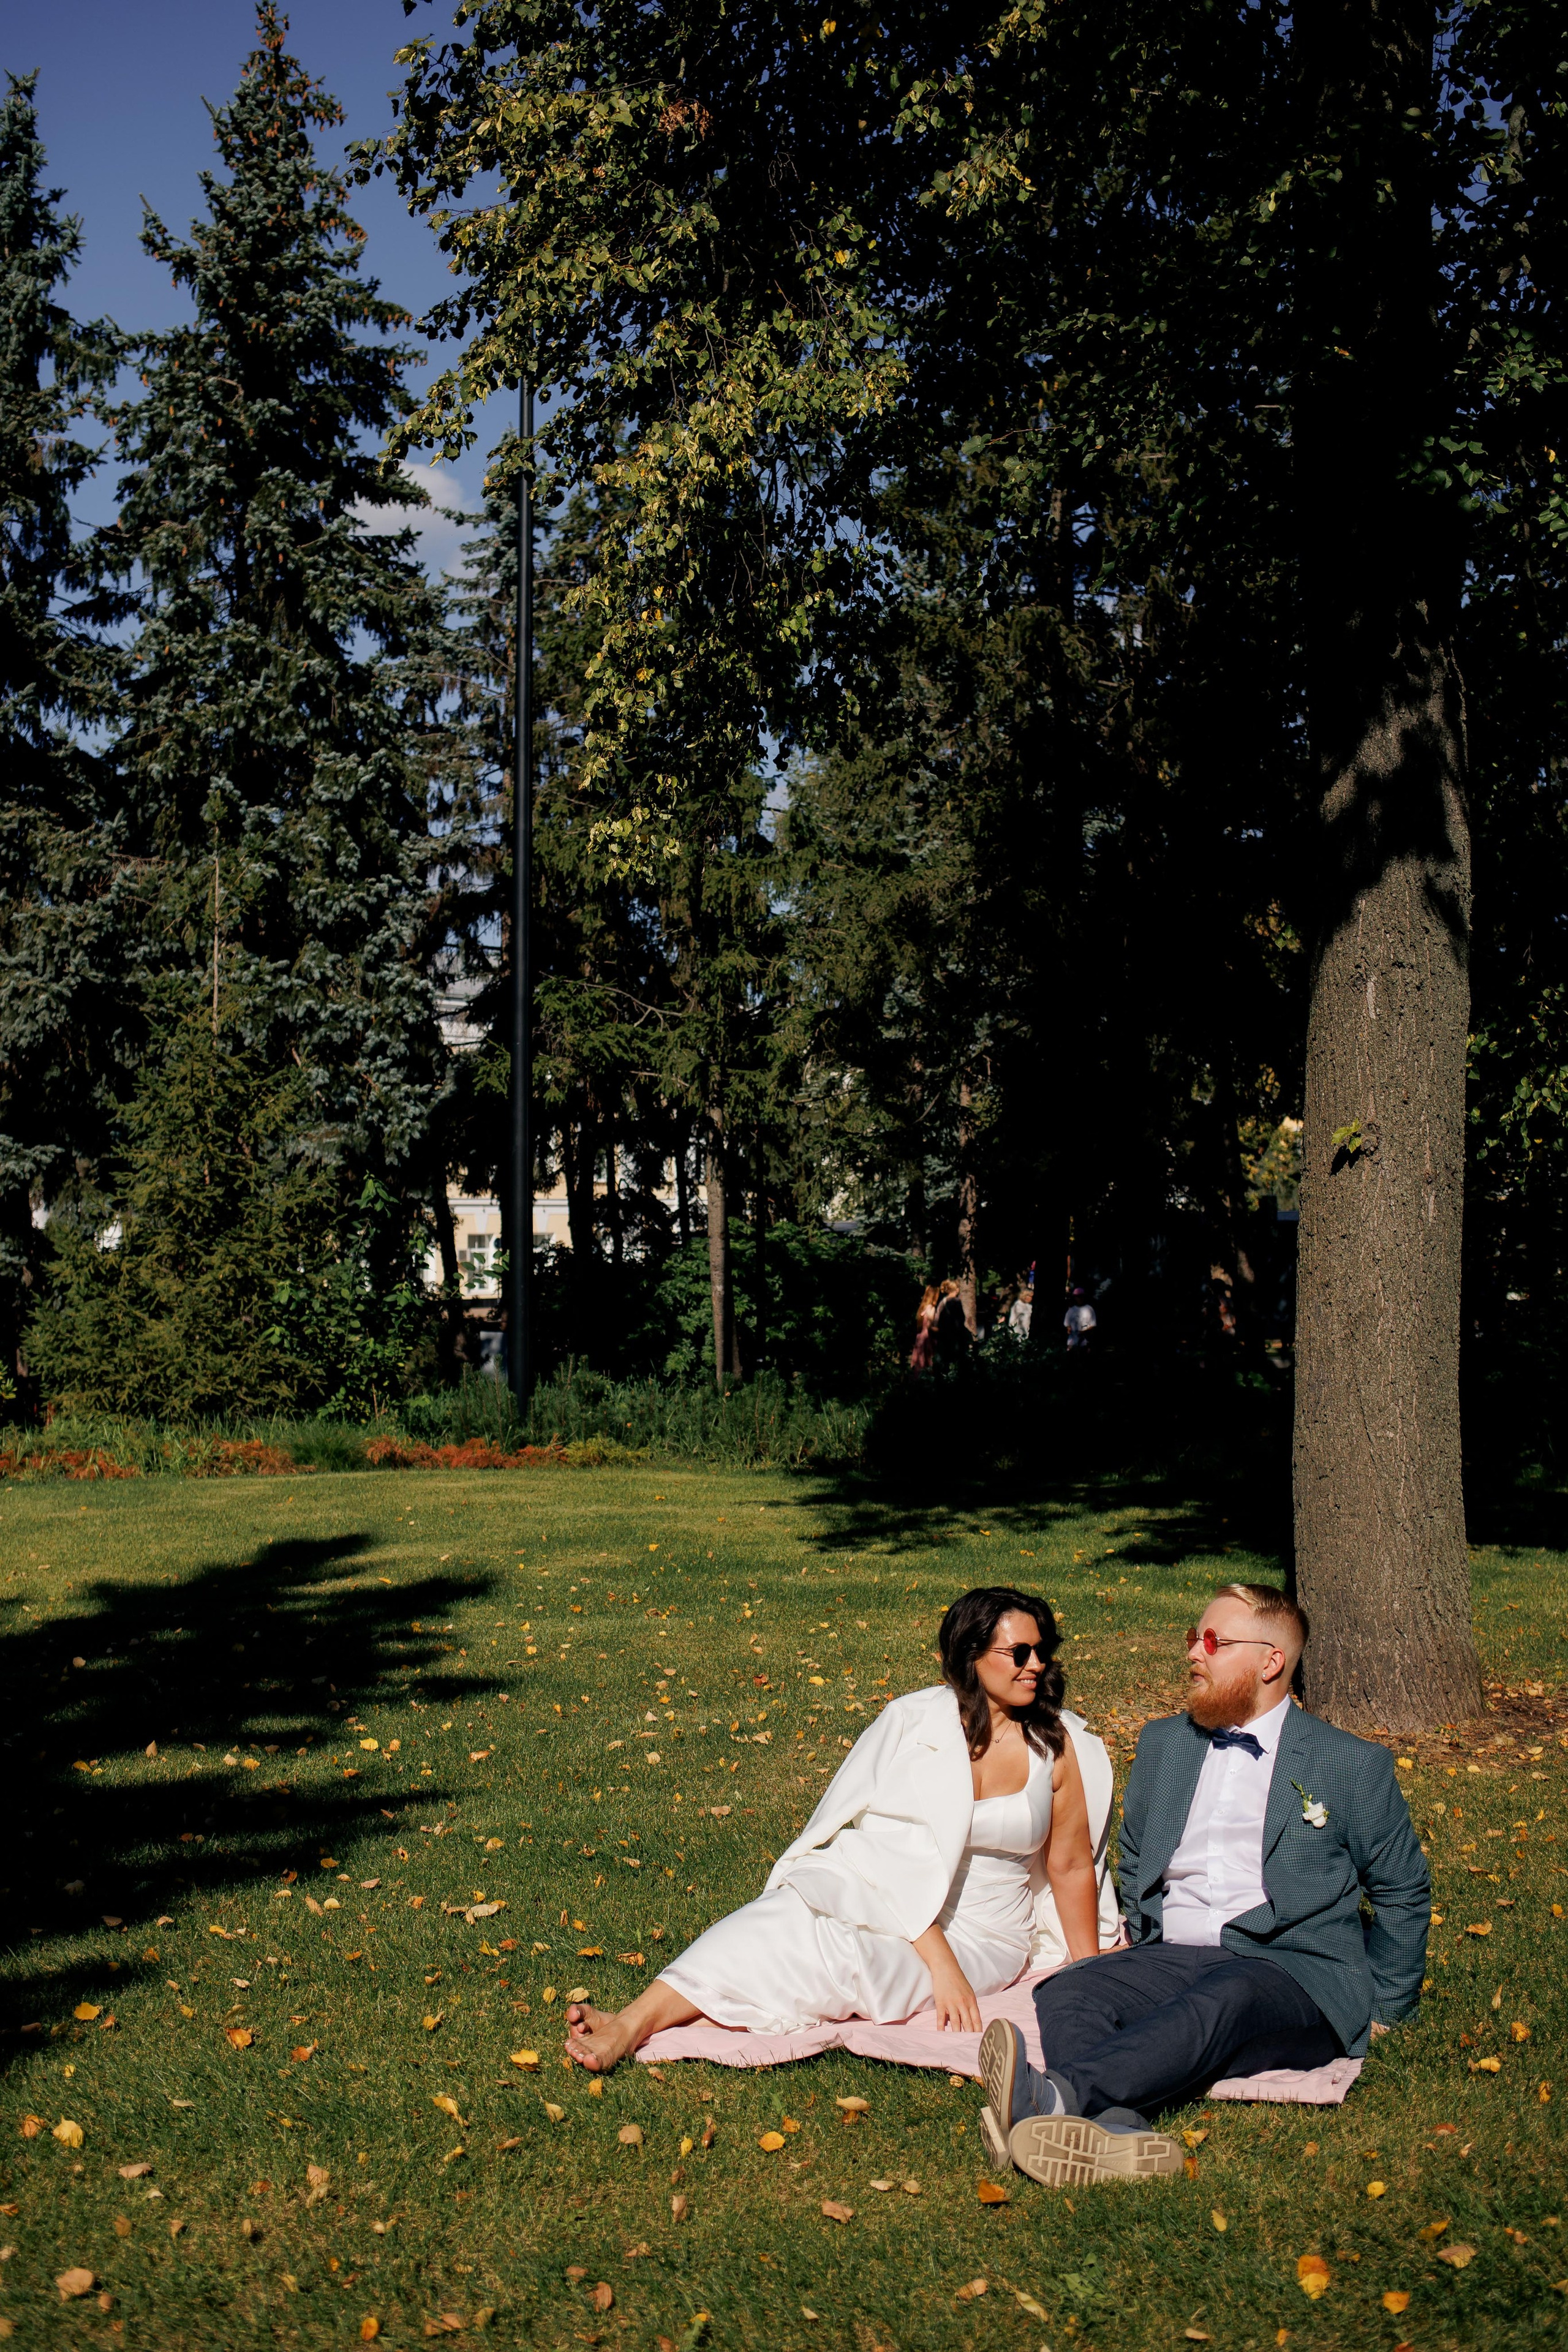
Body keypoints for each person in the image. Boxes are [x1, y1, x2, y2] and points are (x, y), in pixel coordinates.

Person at [979, 1581, 1430, 2185]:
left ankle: (1053, 2097)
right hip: (1177, 1953)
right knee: (1072, 1990)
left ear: (1270, 1662)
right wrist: (1144, 1941)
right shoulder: (1165, 1744)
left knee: (1228, 1996)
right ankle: (1113, 2132)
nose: (1194, 1653)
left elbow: (1401, 1889)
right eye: (1194, 1638)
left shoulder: (1347, 1764)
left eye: (1213, 1641)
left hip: (1291, 1970)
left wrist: (1386, 2006)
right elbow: (1138, 1856)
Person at [561, 1588, 1106, 2072]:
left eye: (1041, 1651)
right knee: (789, 1914)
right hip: (895, 1896)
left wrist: (1090, 1976)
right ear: (971, 1658)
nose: (1035, 1665)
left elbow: (1070, 1864)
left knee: (857, 1960)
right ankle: (635, 2018)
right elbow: (885, 1852)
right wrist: (939, 1963)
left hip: (985, 1935)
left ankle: (658, 2025)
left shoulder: (1053, 1747)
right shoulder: (917, 1727)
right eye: (1019, 1653)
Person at [909, 1283, 940, 1374]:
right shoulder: (932, 1309)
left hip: (920, 1339)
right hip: (928, 1340)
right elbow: (930, 1327)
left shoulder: (923, 1308)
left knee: (919, 1366)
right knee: (928, 1367)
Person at [1063, 1287, 1096, 1351]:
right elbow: (1067, 1324)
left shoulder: (1089, 1309)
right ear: (1075, 1297)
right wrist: (1069, 1329)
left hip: (1085, 1341)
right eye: (1077, 1296)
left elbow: (1093, 1325)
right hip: (1072, 1341)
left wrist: (1084, 1332)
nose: (1079, 1298)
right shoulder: (1071, 1310)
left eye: (1081, 1296)